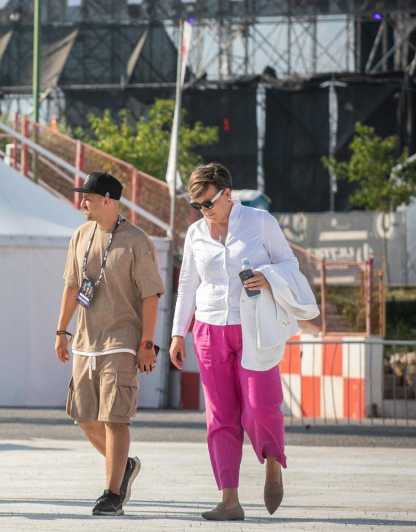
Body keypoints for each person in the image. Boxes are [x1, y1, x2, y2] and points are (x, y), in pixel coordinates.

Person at [169, 162, 315, 521]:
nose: (203, 211)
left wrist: (267, 276)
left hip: (254, 327)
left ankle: (271, 462)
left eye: (208, 202)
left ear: (227, 194)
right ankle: (229, 500)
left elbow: (289, 264)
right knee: (219, 416)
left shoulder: (260, 222)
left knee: (260, 406)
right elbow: (188, 283)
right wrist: (177, 332)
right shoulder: (195, 234)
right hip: (208, 329)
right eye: (197, 205)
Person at [54, 172, 165, 516]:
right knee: (85, 417)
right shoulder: (81, 235)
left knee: (116, 419)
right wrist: (61, 332)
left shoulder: (137, 240)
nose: (81, 202)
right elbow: (73, 287)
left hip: (123, 341)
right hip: (86, 342)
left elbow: (151, 294)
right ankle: (125, 466)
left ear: (107, 200)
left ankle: (111, 494)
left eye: (87, 196)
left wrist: (147, 342)